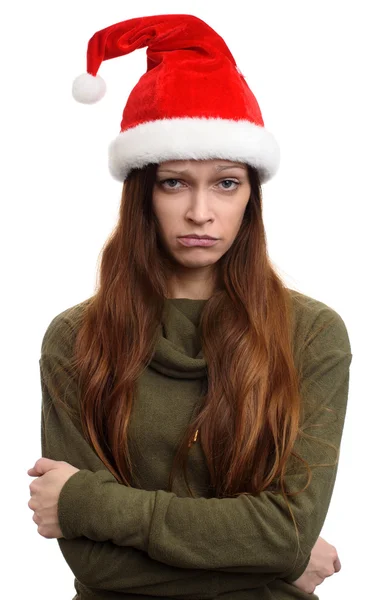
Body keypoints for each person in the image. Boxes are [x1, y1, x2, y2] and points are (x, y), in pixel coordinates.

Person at [27, 13, 351, 600]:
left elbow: (286, 533)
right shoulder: (76, 338)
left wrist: (88, 503)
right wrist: (274, 566)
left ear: (251, 197)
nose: (201, 212)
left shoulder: (311, 333)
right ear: (142, 193)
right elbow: (93, 565)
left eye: (226, 183)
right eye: (174, 182)